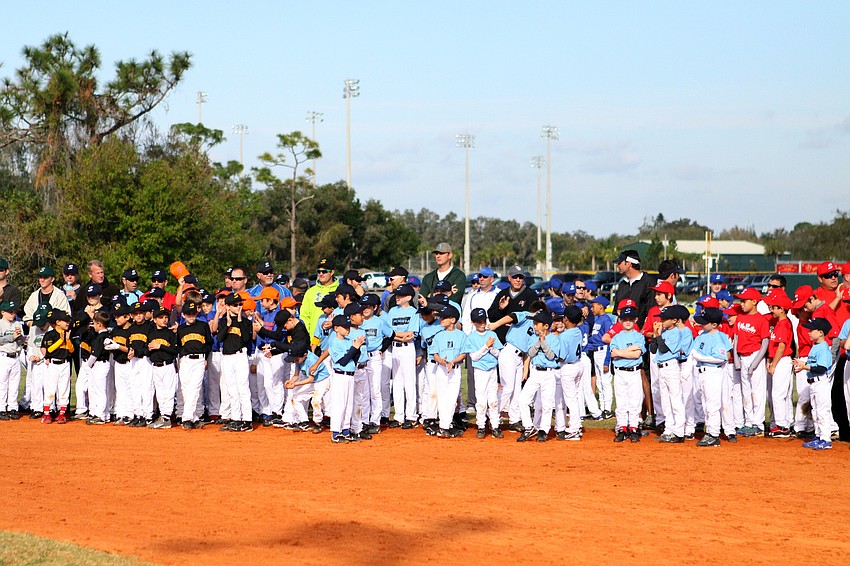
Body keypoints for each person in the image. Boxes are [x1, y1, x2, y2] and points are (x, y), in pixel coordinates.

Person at [611, 250, 655, 424]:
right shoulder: (622, 285)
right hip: (623, 335)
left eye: (620, 262)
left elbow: (651, 311)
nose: (618, 265)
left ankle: (649, 415)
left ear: (629, 263)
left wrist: (641, 334)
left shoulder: (648, 283)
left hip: (643, 335)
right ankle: (631, 418)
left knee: (643, 375)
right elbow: (618, 313)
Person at [691, 307, 733, 447]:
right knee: (705, 404)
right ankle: (709, 430)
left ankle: (713, 434)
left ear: (714, 324)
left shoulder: (718, 337)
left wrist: (701, 357)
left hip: (713, 372)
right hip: (702, 373)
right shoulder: (702, 335)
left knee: (713, 404)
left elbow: (722, 358)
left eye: (705, 322)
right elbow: (694, 351)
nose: (701, 324)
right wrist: (698, 356)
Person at [460, 267, 500, 413]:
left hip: (492, 335)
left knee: (493, 372)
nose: (481, 279)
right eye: (479, 277)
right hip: (475, 336)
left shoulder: (497, 294)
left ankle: (494, 406)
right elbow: (466, 317)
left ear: (491, 278)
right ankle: (472, 403)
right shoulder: (471, 296)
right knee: (473, 372)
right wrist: (470, 336)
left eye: (484, 277)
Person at [732, 288, 770, 437]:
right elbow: (736, 339)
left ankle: (758, 424)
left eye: (744, 301)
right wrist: (736, 358)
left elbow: (765, 342)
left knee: (757, 391)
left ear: (754, 302)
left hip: (756, 356)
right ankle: (748, 422)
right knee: (745, 391)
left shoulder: (761, 319)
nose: (741, 304)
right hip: (742, 356)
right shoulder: (740, 318)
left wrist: (755, 362)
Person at [462, 307, 503, 438]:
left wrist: (491, 348)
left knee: (493, 400)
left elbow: (499, 354)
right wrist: (486, 346)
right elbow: (474, 357)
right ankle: (481, 426)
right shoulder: (471, 337)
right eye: (478, 321)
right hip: (480, 371)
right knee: (481, 400)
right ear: (473, 323)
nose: (482, 324)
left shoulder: (492, 334)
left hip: (492, 369)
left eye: (483, 320)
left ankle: (495, 425)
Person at [795, 318, 835, 450]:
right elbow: (813, 365)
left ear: (821, 332)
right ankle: (818, 436)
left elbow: (821, 368)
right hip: (813, 384)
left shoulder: (823, 348)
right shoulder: (815, 347)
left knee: (822, 412)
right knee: (816, 412)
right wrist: (803, 366)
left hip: (821, 382)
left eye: (812, 330)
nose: (809, 332)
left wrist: (805, 367)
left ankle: (825, 439)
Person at [217, 292, 254, 433]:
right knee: (231, 388)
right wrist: (227, 325)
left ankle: (247, 420)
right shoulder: (222, 322)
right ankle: (236, 418)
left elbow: (246, 339)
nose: (238, 307)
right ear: (227, 306)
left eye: (240, 304)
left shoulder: (245, 322)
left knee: (243, 388)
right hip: (227, 356)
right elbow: (220, 338)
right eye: (235, 305)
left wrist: (238, 321)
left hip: (240, 356)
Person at [327, 314, 366, 443]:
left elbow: (354, 359)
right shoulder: (334, 343)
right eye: (344, 327)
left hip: (350, 375)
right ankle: (336, 432)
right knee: (339, 404)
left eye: (348, 327)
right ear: (336, 328)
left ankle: (346, 430)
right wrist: (354, 348)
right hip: (340, 376)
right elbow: (343, 361)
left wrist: (358, 347)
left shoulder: (349, 341)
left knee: (349, 404)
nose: (347, 329)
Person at [610, 305, 646, 443]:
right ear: (620, 320)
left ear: (636, 320)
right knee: (621, 401)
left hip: (634, 371)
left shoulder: (639, 336)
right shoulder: (616, 337)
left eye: (631, 319)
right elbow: (614, 354)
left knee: (634, 401)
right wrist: (627, 351)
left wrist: (621, 353)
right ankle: (622, 428)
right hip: (620, 372)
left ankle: (634, 427)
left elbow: (637, 354)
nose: (628, 322)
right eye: (625, 319)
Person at [387, 283, 420, 429]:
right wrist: (399, 336)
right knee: (397, 383)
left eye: (400, 296)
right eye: (396, 295)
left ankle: (411, 416)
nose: (397, 298)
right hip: (395, 349)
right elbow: (388, 333)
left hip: (408, 349)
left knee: (409, 382)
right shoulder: (392, 311)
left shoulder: (414, 312)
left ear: (409, 297)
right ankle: (399, 416)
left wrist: (396, 335)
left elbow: (411, 335)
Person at [653, 306, 688, 443]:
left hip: (671, 367)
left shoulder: (675, 333)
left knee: (675, 399)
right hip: (661, 368)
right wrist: (656, 335)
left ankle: (679, 432)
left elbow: (663, 348)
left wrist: (659, 335)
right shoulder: (665, 332)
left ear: (674, 320)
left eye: (665, 319)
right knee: (665, 400)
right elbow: (654, 349)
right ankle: (669, 429)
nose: (662, 321)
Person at [177, 302, 213, 429]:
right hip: (185, 360)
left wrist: (206, 358)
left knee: (194, 388)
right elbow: (179, 346)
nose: (191, 316)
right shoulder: (181, 329)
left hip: (199, 360)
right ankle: (195, 417)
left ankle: (186, 418)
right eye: (188, 314)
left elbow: (209, 343)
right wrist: (181, 357)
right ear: (184, 315)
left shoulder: (203, 326)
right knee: (186, 389)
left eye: (193, 314)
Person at [764, 290, 794, 438]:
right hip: (780, 360)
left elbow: (781, 346)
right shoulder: (780, 323)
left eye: (774, 307)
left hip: (782, 360)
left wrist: (773, 364)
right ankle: (782, 424)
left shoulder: (783, 324)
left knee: (778, 394)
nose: (772, 310)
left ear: (782, 309)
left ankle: (782, 426)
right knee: (778, 394)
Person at [146, 307, 180, 429]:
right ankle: (163, 415)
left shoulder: (170, 334)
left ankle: (167, 417)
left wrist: (160, 346)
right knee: (160, 393)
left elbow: (175, 350)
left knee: (169, 392)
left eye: (166, 317)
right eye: (161, 317)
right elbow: (147, 350)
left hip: (168, 365)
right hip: (155, 365)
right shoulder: (151, 334)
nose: (164, 320)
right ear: (154, 320)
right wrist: (149, 349)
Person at [39, 309, 75, 424]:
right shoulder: (50, 334)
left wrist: (67, 340)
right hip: (53, 364)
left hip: (65, 363)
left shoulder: (68, 334)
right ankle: (46, 413)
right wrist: (61, 340)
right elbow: (49, 350)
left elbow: (72, 350)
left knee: (64, 389)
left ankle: (62, 413)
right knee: (50, 388)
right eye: (65, 321)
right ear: (58, 322)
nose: (68, 323)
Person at [299, 259, 339, 339]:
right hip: (314, 340)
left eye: (324, 272)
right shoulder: (310, 292)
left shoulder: (339, 290)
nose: (321, 274)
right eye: (319, 271)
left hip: (335, 340)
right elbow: (304, 316)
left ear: (332, 272)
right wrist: (307, 336)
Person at [0, 300, 25, 420]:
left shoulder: (18, 324)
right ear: (3, 312)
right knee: (2, 384)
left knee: (14, 384)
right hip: (3, 356)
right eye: (10, 312)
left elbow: (21, 342)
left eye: (14, 312)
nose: (13, 314)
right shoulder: (0, 324)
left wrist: (20, 337)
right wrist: (12, 337)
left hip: (16, 356)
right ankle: (1, 408)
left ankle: (13, 407)